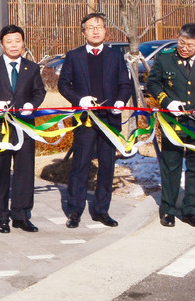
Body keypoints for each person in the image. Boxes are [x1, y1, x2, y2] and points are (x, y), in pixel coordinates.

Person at [57, 12, 134, 228]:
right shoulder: (74, 56)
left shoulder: (115, 56)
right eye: (91, 27)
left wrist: (120, 101)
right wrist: (79, 99)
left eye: (99, 26)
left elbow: (125, 84)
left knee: (107, 165)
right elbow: (64, 84)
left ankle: (101, 210)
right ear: (83, 32)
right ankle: (75, 210)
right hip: (85, 121)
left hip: (110, 119)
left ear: (106, 30)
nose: (96, 30)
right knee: (80, 165)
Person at [146, 23, 195, 228]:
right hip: (174, 123)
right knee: (171, 166)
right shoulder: (165, 58)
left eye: (189, 45)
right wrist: (166, 102)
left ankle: (191, 211)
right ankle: (168, 210)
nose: (183, 48)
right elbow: (153, 83)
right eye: (181, 42)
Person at [0, 24, 46, 233]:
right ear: (2, 44)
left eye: (17, 40)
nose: (14, 45)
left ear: (23, 42)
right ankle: (0, 215)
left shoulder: (32, 67)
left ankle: (21, 214)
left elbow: (39, 91)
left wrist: (31, 105)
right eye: (9, 41)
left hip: (24, 127)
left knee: (24, 172)